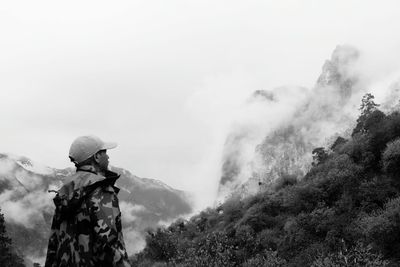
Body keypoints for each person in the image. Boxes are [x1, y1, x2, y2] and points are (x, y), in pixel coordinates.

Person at [45, 135, 131, 267]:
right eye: (104, 153)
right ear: (96, 157)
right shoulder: (102, 191)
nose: (108, 157)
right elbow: (109, 246)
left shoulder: (66, 191)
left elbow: (53, 245)